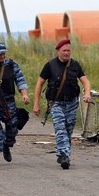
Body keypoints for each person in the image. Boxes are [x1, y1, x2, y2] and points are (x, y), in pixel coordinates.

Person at [33, 38, 92, 170]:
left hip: (71, 103)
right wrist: (36, 104)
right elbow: (39, 84)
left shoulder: (75, 65)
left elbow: (85, 81)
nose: (66, 53)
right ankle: (65, 156)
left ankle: (61, 153)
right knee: (60, 129)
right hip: (56, 103)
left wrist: (87, 93)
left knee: (68, 130)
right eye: (64, 50)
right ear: (58, 51)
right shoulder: (50, 65)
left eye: (68, 51)